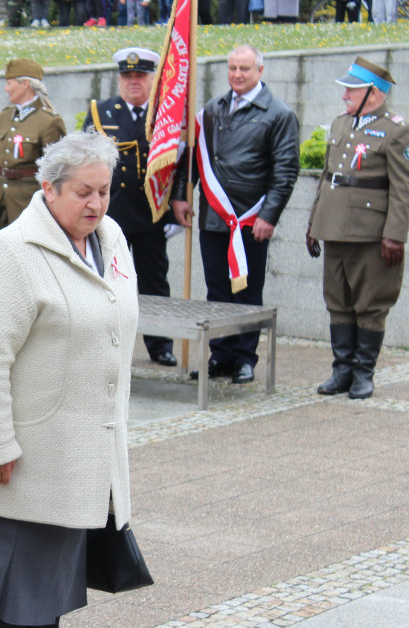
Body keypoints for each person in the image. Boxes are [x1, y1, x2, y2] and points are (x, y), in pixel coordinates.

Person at [0, 131, 137, 628]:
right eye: (83, 192)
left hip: (79, 457)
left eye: (104, 191)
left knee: (49, 603)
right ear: (49, 189)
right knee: (13, 617)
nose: (96, 204)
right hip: (22, 462)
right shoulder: (13, 251)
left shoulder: (112, 239)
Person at [171, 45, 299, 384]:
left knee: (247, 293)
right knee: (217, 291)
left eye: (244, 68)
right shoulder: (212, 110)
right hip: (214, 219)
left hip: (250, 221)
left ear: (260, 71)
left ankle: (245, 359)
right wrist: (181, 195)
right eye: (232, 68)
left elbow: (285, 171)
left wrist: (269, 215)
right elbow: (194, 158)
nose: (237, 75)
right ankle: (221, 356)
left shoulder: (278, 114)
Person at [306, 58, 409, 400]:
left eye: (352, 89)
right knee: (338, 301)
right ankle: (342, 370)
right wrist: (313, 223)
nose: (345, 95)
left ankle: (364, 372)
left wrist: (395, 234)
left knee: (370, 303)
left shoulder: (396, 130)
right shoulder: (340, 125)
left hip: (371, 232)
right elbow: (328, 177)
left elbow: (402, 188)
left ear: (375, 94)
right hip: (334, 227)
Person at [85, 47, 177, 367]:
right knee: (105, 279)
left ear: (153, 78)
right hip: (112, 214)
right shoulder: (101, 112)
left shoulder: (165, 114)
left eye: (140, 76)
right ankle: (100, 340)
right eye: (127, 76)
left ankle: (160, 344)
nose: (133, 82)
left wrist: (176, 205)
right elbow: (85, 162)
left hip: (152, 213)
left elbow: (178, 163)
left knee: (154, 281)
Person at [0, 59, 65, 233]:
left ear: (25, 84)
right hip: (2, 202)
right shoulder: (5, 115)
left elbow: (56, 173)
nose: (6, 89)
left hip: (28, 204)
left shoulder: (49, 121)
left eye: (9, 83)